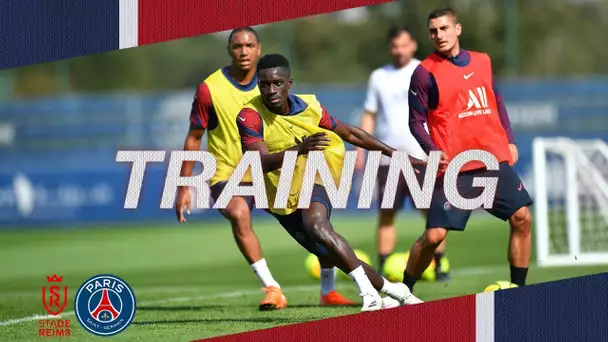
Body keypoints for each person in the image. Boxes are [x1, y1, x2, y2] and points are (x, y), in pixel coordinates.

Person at [175, 27, 354, 311]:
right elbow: (194, 135)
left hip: (272, 172)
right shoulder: (210, 89)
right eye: (237, 46)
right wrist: (183, 184)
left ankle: (328, 290)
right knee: (237, 212)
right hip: (229, 173)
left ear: (258, 49)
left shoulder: (271, 83)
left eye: (249, 45)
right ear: (230, 50)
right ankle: (272, 288)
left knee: (316, 227)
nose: (243, 51)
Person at [236, 53, 427, 311]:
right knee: (329, 254)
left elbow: (349, 133)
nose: (271, 90)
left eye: (277, 83)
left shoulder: (310, 108)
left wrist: (396, 155)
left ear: (289, 83)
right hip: (279, 193)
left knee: (315, 223)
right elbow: (258, 162)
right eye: (265, 84)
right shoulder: (249, 116)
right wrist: (300, 149)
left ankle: (368, 294)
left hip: (317, 173)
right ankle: (396, 290)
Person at [402, 7, 532, 294]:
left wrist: (509, 139)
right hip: (456, 167)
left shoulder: (483, 61)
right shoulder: (424, 73)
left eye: (444, 28)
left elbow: (496, 100)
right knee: (434, 236)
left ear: (457, 29)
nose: (439, 35)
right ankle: (403, 291)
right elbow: (415, 122)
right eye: (433, 31)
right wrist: (432, 150)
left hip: (492, 158)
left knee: (522, 217)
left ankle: (519, 288)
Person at [356, 25, 449, 281]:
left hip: (421, 156)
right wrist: (361, 151)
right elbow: (370, 115)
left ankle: (439, 265)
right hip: (388, 157)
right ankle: (384, 267)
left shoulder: (427, 70)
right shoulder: (378, 77)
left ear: (414, 45)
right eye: (395, 46)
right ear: (390, 47)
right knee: (387, 213)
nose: (399, 51)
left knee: (430, 212)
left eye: (404, 45)